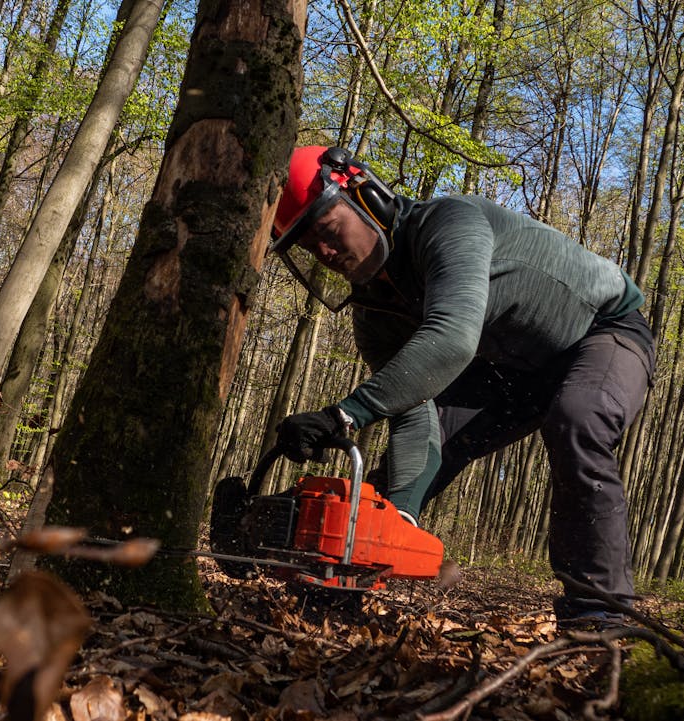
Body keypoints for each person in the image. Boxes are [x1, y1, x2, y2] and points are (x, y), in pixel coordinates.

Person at [270, 146, 654, 623]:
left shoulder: (449, 223)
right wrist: (402, 512)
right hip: (512, 370)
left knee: (577, 420)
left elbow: (452, 338)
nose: (326, 253)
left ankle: (600, 613)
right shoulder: (375, 314)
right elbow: (414, 407)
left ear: (368, 197)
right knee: (423, 451)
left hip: (604, 330)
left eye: (328, 231)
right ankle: (344, 580)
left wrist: (344, 415)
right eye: (310, 247)